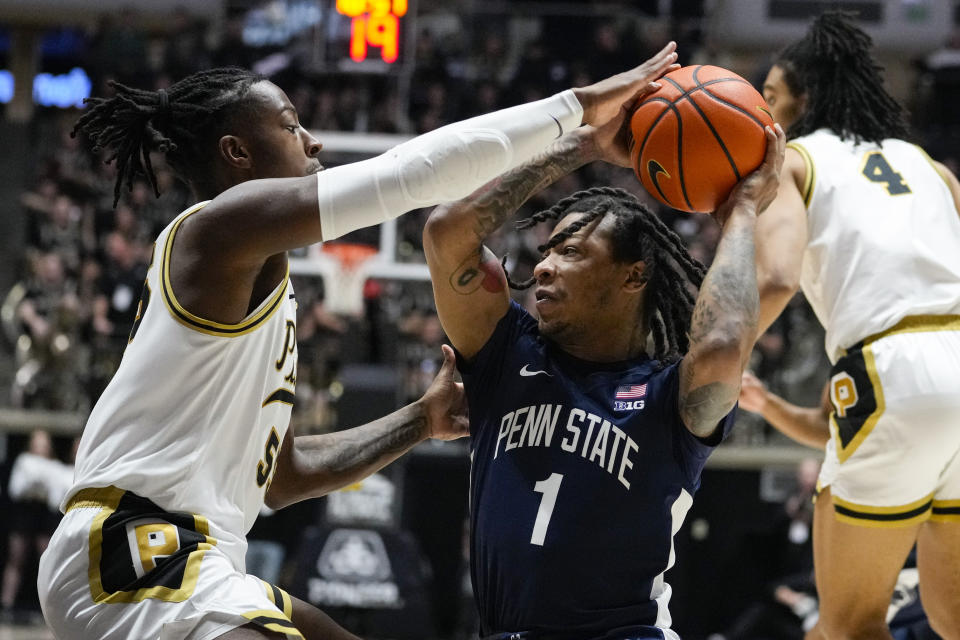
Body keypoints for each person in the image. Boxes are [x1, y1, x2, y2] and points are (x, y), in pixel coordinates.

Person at [37, 47, 685, 640]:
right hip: (129, 547)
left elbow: (283, 478)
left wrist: (420, 420)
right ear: (238, 153)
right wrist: (576, 121)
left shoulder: (256, 281)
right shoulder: (215, 232)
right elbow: (405, 177)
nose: (313, 139)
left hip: (197, 557)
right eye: (290, 125)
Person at [422, 54, 786, 636]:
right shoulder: (506, 353)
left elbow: (720, 343)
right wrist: (582, 147)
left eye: (569, 252)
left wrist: (742, 210)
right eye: (544, 251)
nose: (542, 267)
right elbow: (446, 234)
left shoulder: (669, 398)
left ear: (633, 276)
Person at [752, 11, 960, 639]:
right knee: (954, 617)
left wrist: (701, 366)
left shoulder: (791, 162)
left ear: (804, 101)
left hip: (895, 370)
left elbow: (776, 279)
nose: (762, 113)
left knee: (847, 626)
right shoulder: (932, 168)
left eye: (770, 98)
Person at [737, 373, 936, 640]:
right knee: (834, 627)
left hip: (924, 532)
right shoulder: (852, 365)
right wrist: (766, 405)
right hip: (870, 526)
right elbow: (828, 428)